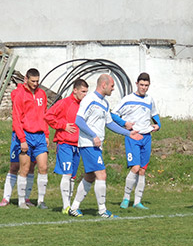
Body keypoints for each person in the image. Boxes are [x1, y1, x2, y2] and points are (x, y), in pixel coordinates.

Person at [69, 74, 143, 218]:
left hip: (96, 145)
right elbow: (79, 120)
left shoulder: (104, 103)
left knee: (90, 176)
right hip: (88, 144)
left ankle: (74, 208)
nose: (113, 89)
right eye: (112, 86)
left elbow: (109, 123)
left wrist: (128, 133)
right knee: (102, 174)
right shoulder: (89, 100)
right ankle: (102, 210)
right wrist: (93, 135)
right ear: (104, 85)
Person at [112, 72, 161, 210]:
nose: (144, 88)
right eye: (141, 85)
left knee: (142, 170)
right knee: (135, 167)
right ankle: (126, 198)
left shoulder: (150, 100)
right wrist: (125, 123)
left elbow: (154, 114)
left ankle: (137, 201)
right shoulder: (127, 99)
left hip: (146, 137)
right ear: (136, 84)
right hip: (133, 136)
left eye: (146, 85)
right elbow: (113, 114)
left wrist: (158, 124)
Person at [44, 78, 89, 213]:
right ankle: (66, 206)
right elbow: (48, 116)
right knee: (67, 174)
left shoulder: (84, 105)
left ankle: (69, 204)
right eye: (83, 91)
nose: (85, 94)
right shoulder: (64, 103)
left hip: (78, 145)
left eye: (87, 92)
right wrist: (63, 125)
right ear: (75, 90)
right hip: (65, 144)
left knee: (73, 176)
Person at [11, 68, 49, 209]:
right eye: (33, 81)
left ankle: (40, 201)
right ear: (26, 79)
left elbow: (44, 115)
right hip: (26, 135)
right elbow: (16, 119)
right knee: (25, 168)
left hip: (40, 136)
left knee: (43, 167)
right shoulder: (20, 95)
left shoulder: (42, 94)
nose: (35, 84)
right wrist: (22, 139)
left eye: (37, 81)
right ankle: (21, 201)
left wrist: (46, 134)